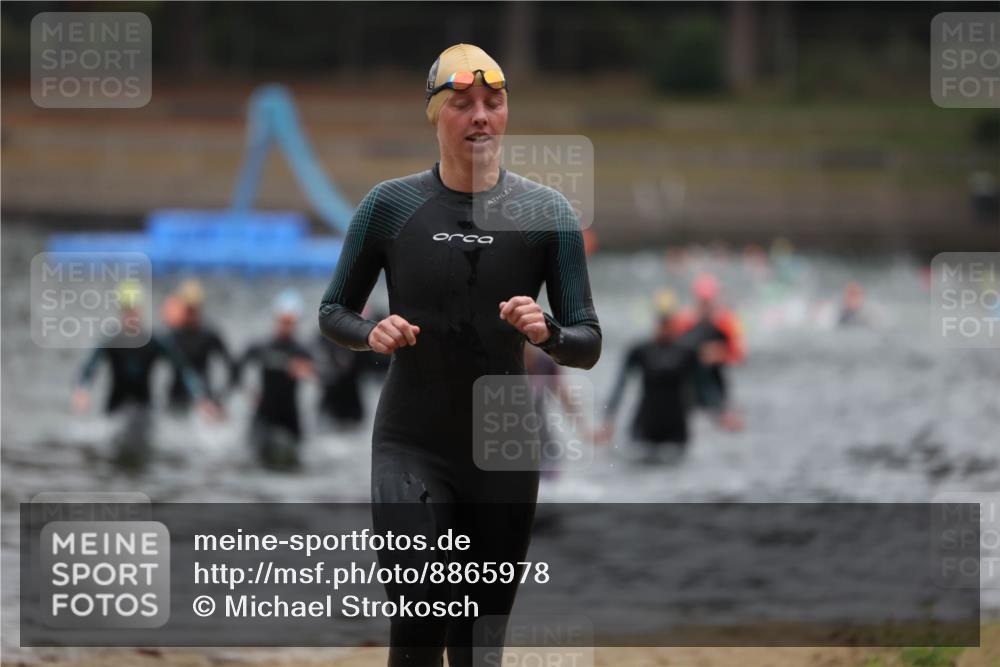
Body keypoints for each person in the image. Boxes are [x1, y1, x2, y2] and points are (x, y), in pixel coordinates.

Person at [318, 43, 600, 666]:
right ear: (434, 115)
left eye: (493, 104)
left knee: (478, 650)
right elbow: (332, 311)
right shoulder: (388, 207)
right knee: (418, 630)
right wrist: (371, 333)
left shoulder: (547, 213)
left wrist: (546, 331)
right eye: (463, 104)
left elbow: (588, 341)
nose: (480, 116)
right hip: (411, 442)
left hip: (502, 448)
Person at [72, 279, 214, 468]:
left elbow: (182, 368)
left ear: (141, 311)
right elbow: (89, 367)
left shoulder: (153, 342)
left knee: (139, 439)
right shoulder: (112, 340)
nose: (132, 316)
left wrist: (200, 398)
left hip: (143, 409)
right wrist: (83, 389)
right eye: (127, 311)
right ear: (121, 312)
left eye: (135, 311)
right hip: (114, 411)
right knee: (112, 447)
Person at [597, 289, 698, 463]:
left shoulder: (687, 352)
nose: (664, 326)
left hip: (676, 427)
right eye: (661, 321)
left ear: (675, 321)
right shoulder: (640, 350)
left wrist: (722, 411)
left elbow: (704, 387)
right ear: (655, 321)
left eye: (668, 321)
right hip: (645, 424)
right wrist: (609, 419)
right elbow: (620, 385)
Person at [233, 289, 315, 470]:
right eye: (283, 321)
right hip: (265, 412)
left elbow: (326, 375)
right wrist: (247, 391)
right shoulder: (261, 346)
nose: (286, 326)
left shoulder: (302, 351)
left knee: (297, 460)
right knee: (254, 457)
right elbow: (236, 369)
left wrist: (308, 371)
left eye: (291, 322)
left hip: (290, 414)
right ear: (276, 319)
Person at [673, 273, 745, 431]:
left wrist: (719, 354)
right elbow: (672, 353)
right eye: (702, 301)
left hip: (716, 383)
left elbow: (740, 355)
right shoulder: (684, 321)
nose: (705, 306)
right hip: (690, 383)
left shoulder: (727, 322)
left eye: (708, 301)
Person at [163, 279, 233, 413]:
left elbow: (230, 366)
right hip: (176, 399)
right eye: (189, 310)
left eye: (194, 310)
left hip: (203, 398)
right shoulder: (172, 337)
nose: (191, 315)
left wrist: (219, 398)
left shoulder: (210, 335)